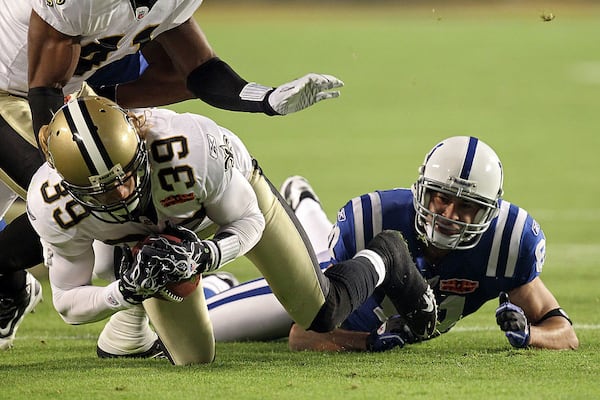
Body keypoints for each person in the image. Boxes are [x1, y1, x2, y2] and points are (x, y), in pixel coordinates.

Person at [0, 0, 343, 351]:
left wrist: (264, 99)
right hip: (20, 92)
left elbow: (193, 71)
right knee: (77, 192)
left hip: (66, 89)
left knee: (102, 193)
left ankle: (123, 316)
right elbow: (44, 87)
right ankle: (20, 290)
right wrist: (64, 166)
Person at [26, 96, 437, 364]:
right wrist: (126, 291)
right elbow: (67, 302)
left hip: (227, 204)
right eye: (101, 189)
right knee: (193, 360)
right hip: (156, 239)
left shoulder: (187, 149)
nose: (122, 190)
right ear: (68, 186)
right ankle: (157, 304)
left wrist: (206, 254)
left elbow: (248, 221)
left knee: (321, 313)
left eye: (127, 173)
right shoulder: (52, 205)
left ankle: (384, 252)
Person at [204, 136, 579, 351]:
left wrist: (531, 335)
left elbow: (563, 330)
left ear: (489, 212)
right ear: (422, 192)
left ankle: (304, 204)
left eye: (467, 206)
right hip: (327, 293)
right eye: (441, 199)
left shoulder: (506, 243)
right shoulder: (376, 219)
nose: (449, 214)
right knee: (203, 328)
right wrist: (368, 341)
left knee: (321, 248)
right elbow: (303, 334)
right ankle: (220, 282)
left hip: (352, 280)